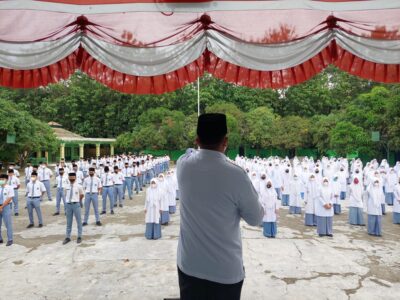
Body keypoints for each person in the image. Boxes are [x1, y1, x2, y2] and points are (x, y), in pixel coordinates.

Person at [177, 113, 263, 300]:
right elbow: (256, 218)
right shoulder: (236, 175)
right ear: (226, 141)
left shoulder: (183, 166)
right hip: (224, 271)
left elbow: (188, 152)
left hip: (190, 266)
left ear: (197, 140)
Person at [63, 173, 84, 245]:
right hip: (68, 205)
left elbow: (82, 194)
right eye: (70, 177)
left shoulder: (79, 186)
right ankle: (68, 237)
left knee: (79, 221)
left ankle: (79, 236)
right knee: (69, 222)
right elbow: (66, 194)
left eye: (73, 177)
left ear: (75, 177)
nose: (71, 178)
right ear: (68, 178)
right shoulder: (66, 186)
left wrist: (78, 200)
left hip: (76, 205)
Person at [0, 174, 14, 246]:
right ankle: (0, 239)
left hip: (6, 207)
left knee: (8, 224)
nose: (1, 181)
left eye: (3, 179)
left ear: (6, 180)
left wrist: (2, 206)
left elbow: (9, 198)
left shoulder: (9, 188)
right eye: (0, 179)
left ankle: (10, 239)